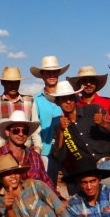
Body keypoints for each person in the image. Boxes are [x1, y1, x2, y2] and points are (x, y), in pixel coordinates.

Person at [50, 81, 110, 203]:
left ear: (75, 98)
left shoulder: (94, 109)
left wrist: (104, 124)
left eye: (70, 98)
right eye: (63, 99)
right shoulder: (59, 127)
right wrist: (61, 131)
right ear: (57, 102)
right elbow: (58, 156)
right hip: (89, 173)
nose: (68, 101)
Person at [0, 110, 54, 191]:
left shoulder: (35, 156)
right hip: (7, 202)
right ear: (7, 132)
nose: (21, 134)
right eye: (16, 130)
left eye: (24, 131)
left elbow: (46, 181)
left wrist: (59, 199)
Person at [30, 56, 70, 185]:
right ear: (42, 75)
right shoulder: (35, 100)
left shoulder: (69, 98)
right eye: (48, 72)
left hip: (68, 150)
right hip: (45, 151)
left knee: (72, 186)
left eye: (54, 71)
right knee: (49, 188)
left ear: (59, 73)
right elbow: (35, 127)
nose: (52, 75)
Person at [0, 66, 41, 153]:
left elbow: (35, 128)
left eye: (16, 82)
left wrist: (38, 148)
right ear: (2, 82)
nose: (13, 86)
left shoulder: (30, 102)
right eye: (9, 83)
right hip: (3, 155)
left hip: (26, 154)